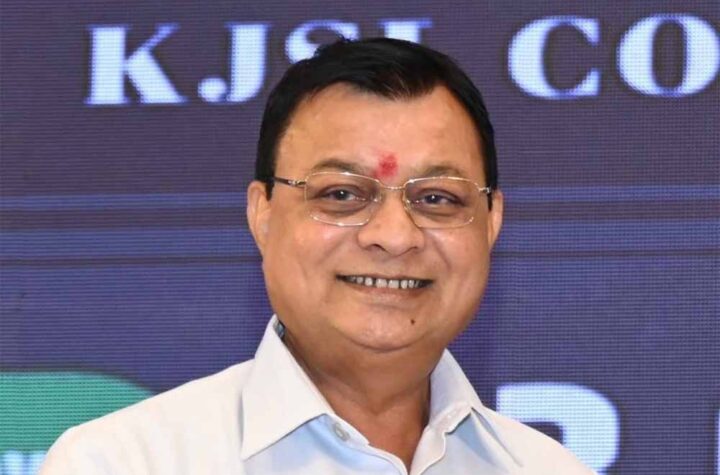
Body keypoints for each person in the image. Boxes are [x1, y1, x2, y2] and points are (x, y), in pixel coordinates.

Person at [40, 38, 594, 474]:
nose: (393, 236)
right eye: (342, 194)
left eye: (436, 199)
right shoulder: (124, 462)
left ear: (491, 222)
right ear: (262, 214)